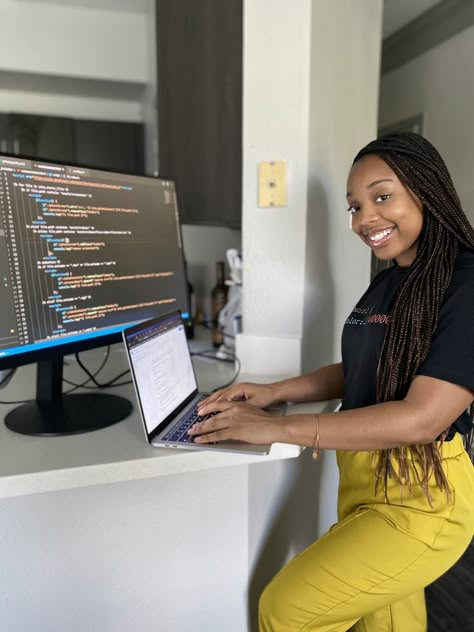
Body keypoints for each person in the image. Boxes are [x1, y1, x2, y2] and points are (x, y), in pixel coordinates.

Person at [189, 131, 474, 632]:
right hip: (364, 481)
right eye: (354, 206)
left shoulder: (466, 283)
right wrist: (277, 392)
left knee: (287, 610)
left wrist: (274, 428)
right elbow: (369, 368)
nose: (365, 219)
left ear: (426, 191)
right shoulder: (391, 280)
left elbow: (422, 419)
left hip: (422, 499)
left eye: (382, 196)